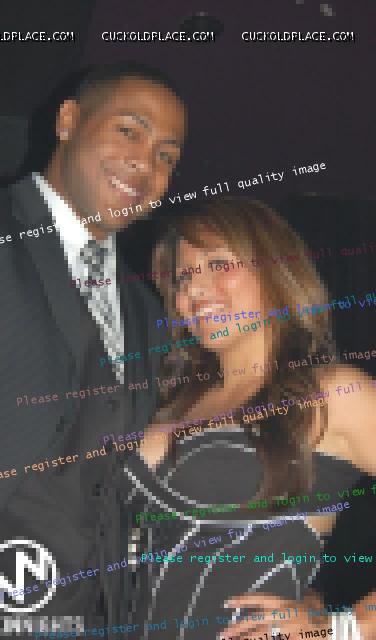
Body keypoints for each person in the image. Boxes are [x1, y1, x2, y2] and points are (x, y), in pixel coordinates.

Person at [0, 62, 186, 635]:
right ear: (68, 121)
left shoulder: (148, 310)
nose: (145, 163)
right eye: (129, 131)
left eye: (166, 155)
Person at [121, 197, 376, 639]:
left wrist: (344, 628)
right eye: (183, 276)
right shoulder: (168, 399)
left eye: (219, 264)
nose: (195, 290)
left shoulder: (331, 392)